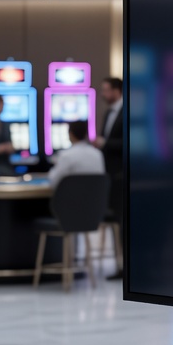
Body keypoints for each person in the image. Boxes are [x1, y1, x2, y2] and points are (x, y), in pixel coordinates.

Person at [95, 77, 125, 279]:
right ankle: (120, 265)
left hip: (123, 177)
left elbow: (129, 143)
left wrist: (104, 143)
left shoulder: (127, 111)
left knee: (123, 222)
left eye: (106, 90)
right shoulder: (108, 113)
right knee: (116, 221)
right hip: (111, 177)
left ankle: (127, 268)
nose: (103, 94)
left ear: (117, 90)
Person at [47, 120, 104, 189]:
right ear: (86, 134)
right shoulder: (98, 154)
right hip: (94, 195)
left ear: (70, 134)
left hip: (71, 195)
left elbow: (54, 182)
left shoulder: (66, 156)